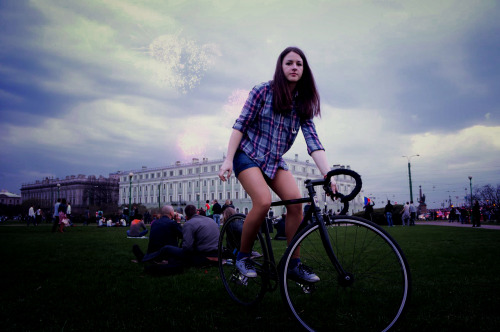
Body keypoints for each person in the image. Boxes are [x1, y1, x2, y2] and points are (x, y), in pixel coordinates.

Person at [218, 46, 337, 283]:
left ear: (304, 70)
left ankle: (293, 265)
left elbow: (313, 141)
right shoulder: (263, 91)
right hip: (248, 155)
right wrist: (228, 159)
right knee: (262, 201)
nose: (294, 67)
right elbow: (240, 125)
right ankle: (242, 256)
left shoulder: (303, 103)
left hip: (274, 161)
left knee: (296, 205)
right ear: (281, 67)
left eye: (299, 64)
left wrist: (328, 175)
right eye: (289, 63)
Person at [141, 205, 220, 267]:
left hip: (202, 254)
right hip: (217, 252)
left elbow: (187, 247)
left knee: (167, 248)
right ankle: (148, 257)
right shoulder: (211, 220)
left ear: (186, 216)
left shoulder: (155, 223)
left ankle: (147, 258)